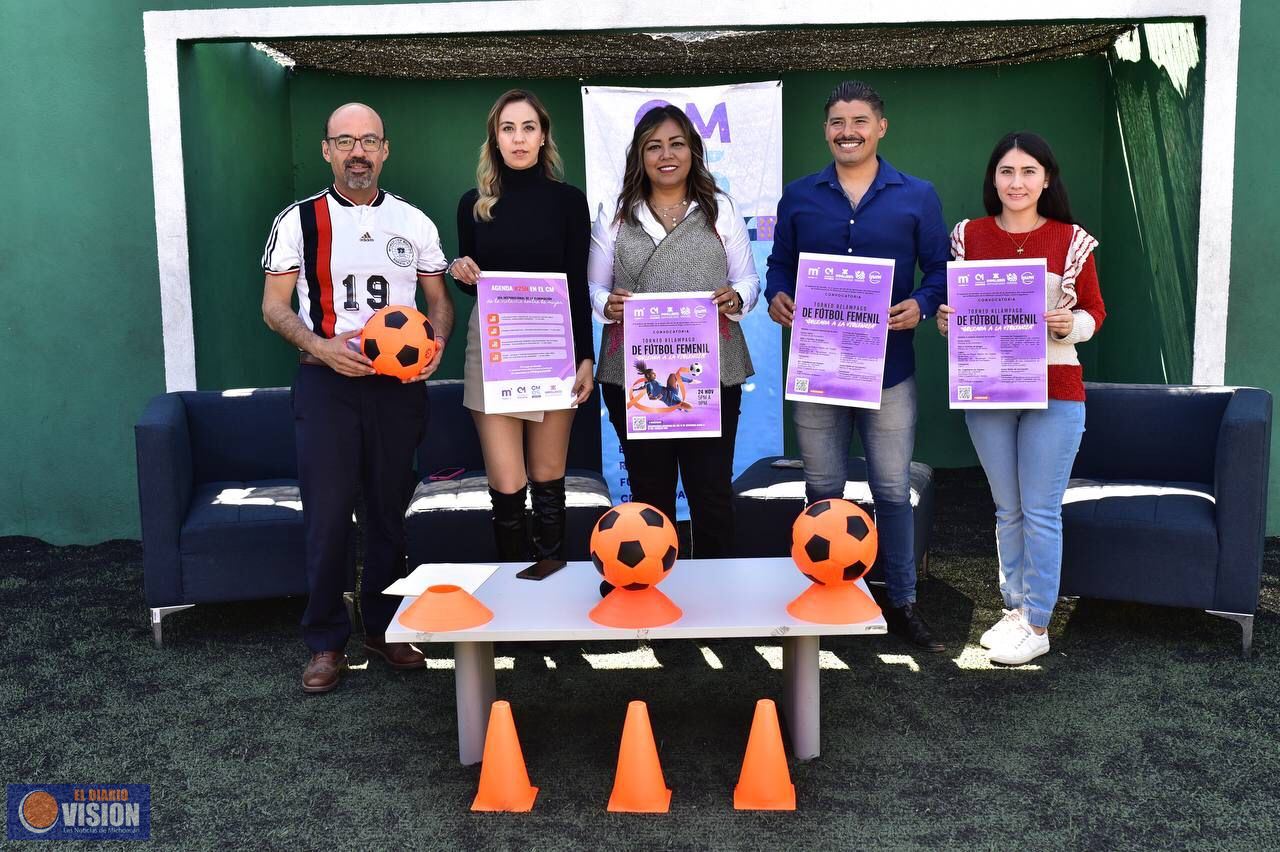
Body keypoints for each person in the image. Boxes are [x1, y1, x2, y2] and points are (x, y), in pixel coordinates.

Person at [261, 103, 454, 693]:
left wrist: (437, 338)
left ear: (385, 149)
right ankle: (324, 642)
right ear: (326, 150)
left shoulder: (414, 222)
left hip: (397, 388)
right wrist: (320, 347)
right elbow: (273, 306)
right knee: (327, 515)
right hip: (326, 385)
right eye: (345, 141)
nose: (358, 152)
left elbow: (438, 299)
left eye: (369, 140)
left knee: (389, 510)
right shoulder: (297, 221)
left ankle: (388, 627)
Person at [765, 80, 949, 651]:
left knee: (892, 491)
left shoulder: (918, 195)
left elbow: (940, 271)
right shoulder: (798, 196)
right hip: (818, 368)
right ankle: (828, 589)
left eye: (860, 121)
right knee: (822, 491)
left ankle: (901, 600)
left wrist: (919, 305)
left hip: (889, 369)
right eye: (838, 122)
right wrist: (777, 296)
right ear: (826, 130)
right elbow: (778, 267)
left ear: (881, 127)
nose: (848, 131)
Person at [937, 131, 1105, 665]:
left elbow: (1095, 314)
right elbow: (959, 308)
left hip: (1056, 390)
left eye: (1028, 172)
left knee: (1039, 510)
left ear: (1047, 178)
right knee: (1007, 509)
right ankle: (1014, 610)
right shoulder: (968, 236)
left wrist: (1068, 323)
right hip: (987, 387)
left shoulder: (1071, 239)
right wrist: (947, 322)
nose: (1017, 182)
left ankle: (1038, 622)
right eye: (1006, 172)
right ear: (994, 179)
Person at [591, 104, 760, 563]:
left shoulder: (720, 207)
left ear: (693, 151)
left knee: (711, 491)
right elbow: (595, 284)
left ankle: (715, 593)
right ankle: (653, 587)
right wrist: (604, 303)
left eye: (677, 143)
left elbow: (748, 280)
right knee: (650, 494)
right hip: (634, 372)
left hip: (711, 372)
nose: (667, 155)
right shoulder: (616, 211)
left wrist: (737, 298)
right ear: (639, 156)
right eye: (654, 146)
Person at [447, 89, 594, 563]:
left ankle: (550, 592)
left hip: (554, 347)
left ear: (543, 135)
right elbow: (476, 287)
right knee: (507, 483)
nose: (518, 138)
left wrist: (585, 356)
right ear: (495, 137)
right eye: (508, 128)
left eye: (528, 127)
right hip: (494, 350)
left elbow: (578, 283)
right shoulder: (474, 203)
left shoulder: (569, 202)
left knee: (549, 476)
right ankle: (512, 603)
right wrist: (462, 271)